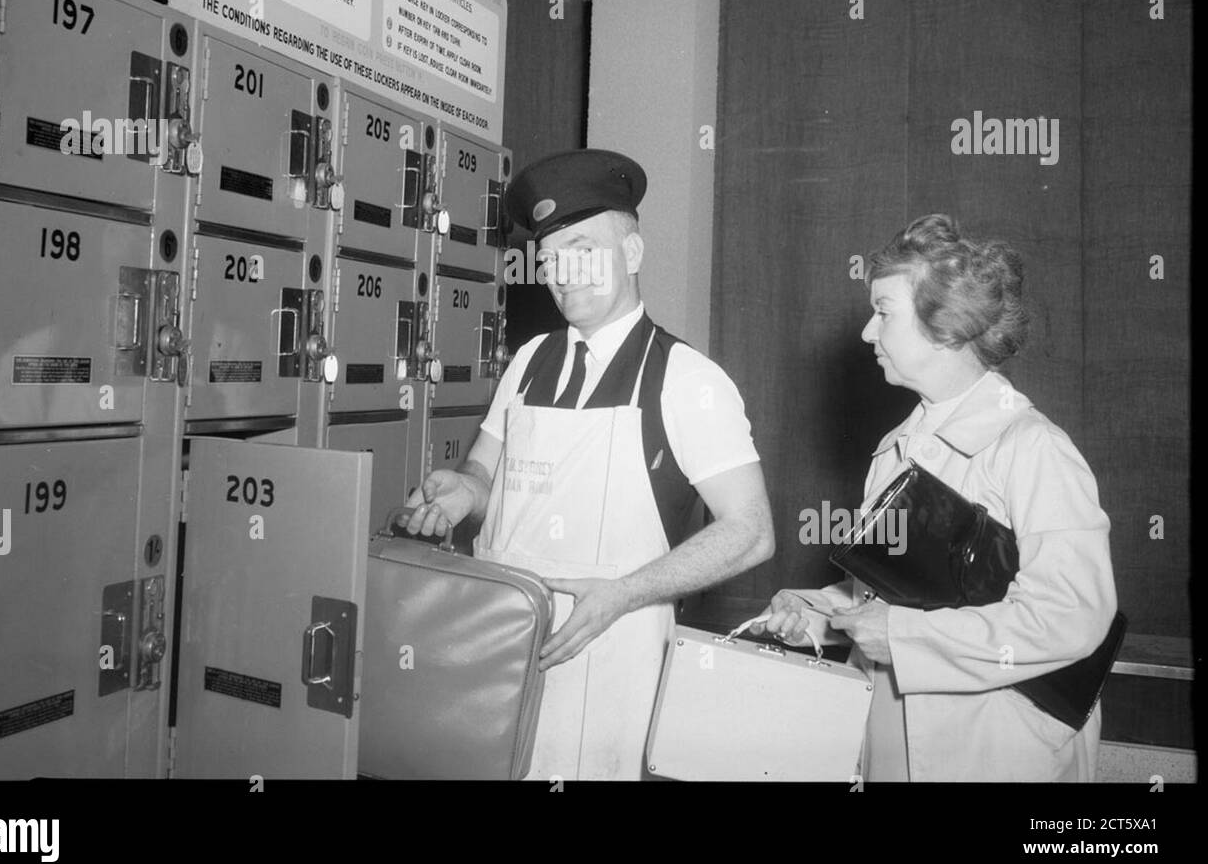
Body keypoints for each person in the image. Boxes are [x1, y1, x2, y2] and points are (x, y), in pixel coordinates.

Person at [403, 148, 775, 780]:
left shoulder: (687, 380)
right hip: (499, 649)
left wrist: (626, 593)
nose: (559, 273)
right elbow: (485, 475)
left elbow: (751, 533)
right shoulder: (528, 362)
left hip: (612, 662)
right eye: (548, 258)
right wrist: (463, 494)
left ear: (631, 254)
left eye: (581, 249)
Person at [759, 214, 1117, 781]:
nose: (866, 334)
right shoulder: (896, 447)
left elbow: (1070, 618)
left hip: (995, 748)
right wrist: (817, 614)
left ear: (946, 327)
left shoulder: (1035, 449)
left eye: (882, 313)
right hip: (892, 738)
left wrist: (901, 637)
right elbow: (894, 596)